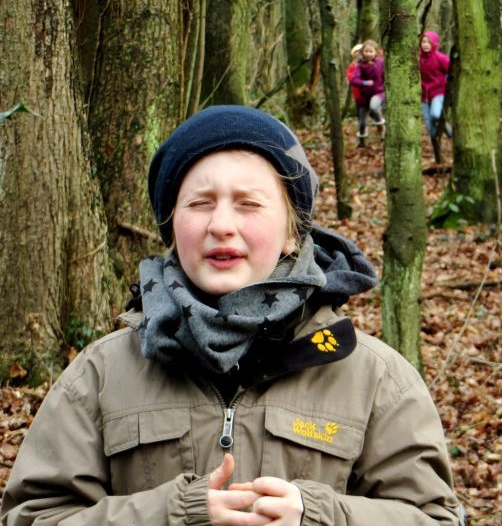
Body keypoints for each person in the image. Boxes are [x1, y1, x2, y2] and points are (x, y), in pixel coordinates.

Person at [0, 105, 463, 525]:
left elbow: (436, 519)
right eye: (200, 203)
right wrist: (173, 515)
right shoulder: (101, 375)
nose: (221, 224)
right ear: (173, 225)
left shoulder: (374, 379)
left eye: (249, 204)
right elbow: (32, 517)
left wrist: (322, 517)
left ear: (291, 233)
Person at [419, 30, 452, 147]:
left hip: (439, 92)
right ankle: (437, 151)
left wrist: (450, 89)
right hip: (423, 96)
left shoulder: (441, 58)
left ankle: (449, 131)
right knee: (430, 127)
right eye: (423, 42)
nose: (426, 44)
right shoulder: (417, 59)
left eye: (429, 42)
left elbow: (451, 72)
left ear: (435, 44)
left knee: (435, 115)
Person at [352, 39, 386, 146]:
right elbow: (354, 79)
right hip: (364, 97)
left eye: (370, 51)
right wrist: (365, 83)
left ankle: (381, 126)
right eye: (366, 51)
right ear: (362, 53)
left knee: (374, 107)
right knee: (362, 123)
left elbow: (386, 75)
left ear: (376, 52)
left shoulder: (381, 63)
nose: (368, 54)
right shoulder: (360, 66)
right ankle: (362, 143)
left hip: (378, 92)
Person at [346, 42, 364, 109]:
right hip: (358, 91)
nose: (359, 55)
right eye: (357, 53)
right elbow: (349, 75)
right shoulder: (352, 65)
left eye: (361, 53)